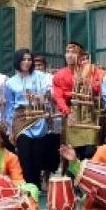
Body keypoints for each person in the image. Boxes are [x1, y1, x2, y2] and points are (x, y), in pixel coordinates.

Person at [4, 48, 50, 189]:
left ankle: (36, 185)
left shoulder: (41, 77)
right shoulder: (10, 82)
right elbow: (10, 106)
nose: (27, 62)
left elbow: (49, 95)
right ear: (18, 61)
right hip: (20, 117)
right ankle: (27, 186)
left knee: (37, 154)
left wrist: (41, 98)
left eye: (29, 59)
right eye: (24, 59)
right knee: (24, 154)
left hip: (38, 116)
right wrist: (9, 127)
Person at [53, 42, 100, 160]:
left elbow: (97, 88)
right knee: (74, 151)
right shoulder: (59, 74)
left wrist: (87, 82)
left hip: (88, 111)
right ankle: (74, 176)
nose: (70, 55)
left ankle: (87, 175)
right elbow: (58, 97)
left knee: (90, 151)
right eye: (67, 52)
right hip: (71, 111)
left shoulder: (90, 71)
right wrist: (66, 111)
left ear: (80, 55)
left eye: (73, 52)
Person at [34, 55, 60, 184]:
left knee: (51, 147)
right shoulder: (30, 78)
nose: (38, 67)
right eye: (36, 65)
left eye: (40, 65)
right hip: (34, 118)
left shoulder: (50, 78)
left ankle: (48, 175)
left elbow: (55, 94)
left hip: (51, 117)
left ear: (45, 66)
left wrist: (50, 97)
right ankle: (38, 174)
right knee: (38, 147)